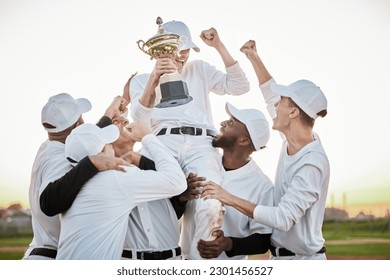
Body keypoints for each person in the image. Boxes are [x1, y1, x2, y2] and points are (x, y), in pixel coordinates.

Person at [126, 19, 250, 260]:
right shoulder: (141, 80)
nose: (182, 56)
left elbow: (240, 86)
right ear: (159, 51)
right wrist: (154, 78)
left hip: (201, 145)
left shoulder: (200, 69)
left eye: (186, 50)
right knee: (152, 206)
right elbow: (139, 118)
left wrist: (219, 46)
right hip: (161, 143)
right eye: (178, 50)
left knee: (209, 205)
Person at [201, 40, 330, 260]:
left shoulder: (312, 163)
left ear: (293, 114)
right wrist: (254, 57)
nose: (275, 106)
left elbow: (282, 218)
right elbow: (270, 95)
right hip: (280, 259)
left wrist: (227, 197)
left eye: (282, 102)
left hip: (303, 262)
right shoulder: (291, 139)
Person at [56, 122, 186, 259]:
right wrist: (148, 136)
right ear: (99, 155)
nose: (110, 145)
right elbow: (177, 181)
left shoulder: (74, 184)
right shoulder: (116, 177)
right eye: (108, 143)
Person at [23, 93, 130, 260]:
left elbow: (85, 141)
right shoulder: (57, 159)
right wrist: (91, 163)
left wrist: (109, 113)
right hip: (51, 259)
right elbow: (49, 202)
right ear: (77, 126)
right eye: (81, 119)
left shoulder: (52, 147)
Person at [177, 102, 274, 260]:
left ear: (243, 141)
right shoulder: (200, 163)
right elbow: (172, 211)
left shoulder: (262, 185)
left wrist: (228, 244)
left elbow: (263, 241)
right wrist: (181, 197)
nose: (222, 123)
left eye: (231, 123)